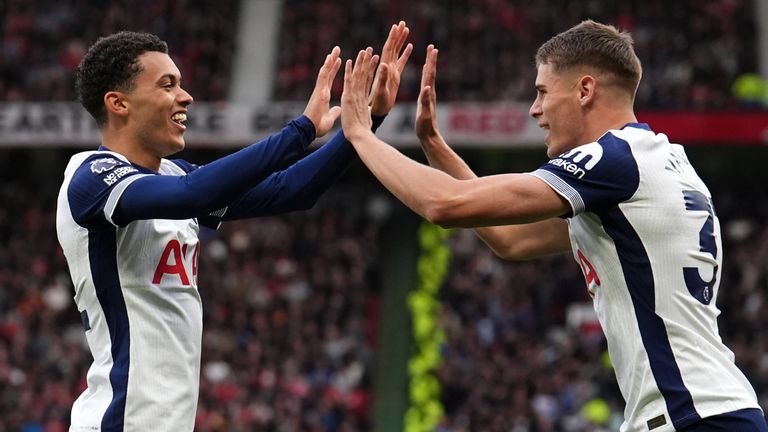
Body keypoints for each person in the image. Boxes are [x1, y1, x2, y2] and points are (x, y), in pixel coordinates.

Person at [340, 20, 767, 432]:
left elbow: (445, 205)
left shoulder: (614, 160)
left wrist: (361, 134)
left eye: (543, 92)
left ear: (585, 90)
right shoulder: (661, 164)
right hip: (709, 409)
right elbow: (511, 239)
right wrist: (434, 145)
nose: (535, 109)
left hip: (692, 416)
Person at [56, 24, 412, 432]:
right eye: (167, 85)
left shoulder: (172, 175)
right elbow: (192, 195)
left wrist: (365, 124)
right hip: (119, 421)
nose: (185, 96)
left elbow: (290, 191)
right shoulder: (92, 177)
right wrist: (301, 131)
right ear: (119, 103)